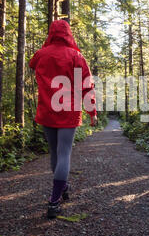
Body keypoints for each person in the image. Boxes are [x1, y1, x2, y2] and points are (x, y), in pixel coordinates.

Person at [29, 20, 98, 219]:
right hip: (69, 110)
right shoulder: (76, 56)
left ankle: (62, 188)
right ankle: (54, 200)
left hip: (47, 110)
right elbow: (87, 85)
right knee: (64, 153)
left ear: (51, 33)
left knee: (54, 153)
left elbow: (32, 64)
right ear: (68, 33)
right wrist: (91, 111)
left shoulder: (41, 54)